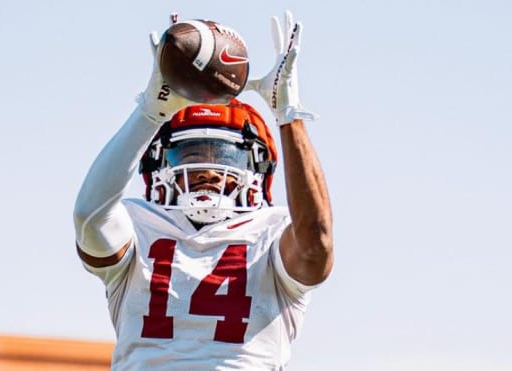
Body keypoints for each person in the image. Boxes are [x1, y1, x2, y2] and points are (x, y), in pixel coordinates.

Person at [73, 11, 333, 370]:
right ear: (159, 164)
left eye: (225, 155)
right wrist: (151, 111)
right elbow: (89, 215)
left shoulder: (272, 230)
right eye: (190, 152)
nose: (207, 169)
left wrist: (288, 114)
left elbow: (316, 243)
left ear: (258, 168)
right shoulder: (139, 223)